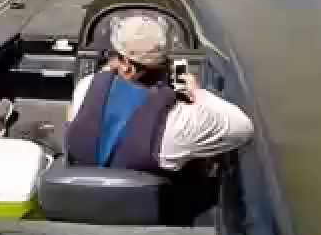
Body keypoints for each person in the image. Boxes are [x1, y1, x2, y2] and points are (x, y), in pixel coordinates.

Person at [65, 14, 254, 174]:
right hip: (143, 209)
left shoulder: (87, 87)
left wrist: (113, 69)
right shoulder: (179, 122)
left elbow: (76, 118)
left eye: (115, 55)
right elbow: (244, 127)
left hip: (82, 198)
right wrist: (198, 93)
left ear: (126, 65)